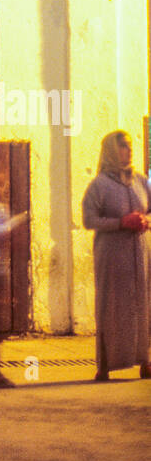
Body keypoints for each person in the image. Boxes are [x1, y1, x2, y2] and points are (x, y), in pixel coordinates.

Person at [81, 130, 151, 382]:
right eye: (123, 146)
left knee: (143, 304)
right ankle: (105, 364)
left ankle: (145, 360)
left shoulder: (142, 182)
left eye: (131, 146)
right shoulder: (99, 186)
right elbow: (89, 220)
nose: (129, 151)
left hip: (141, 254)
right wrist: (121, 222)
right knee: (111, 307)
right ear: (111, 150)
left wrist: (145, 220)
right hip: (112, 256)